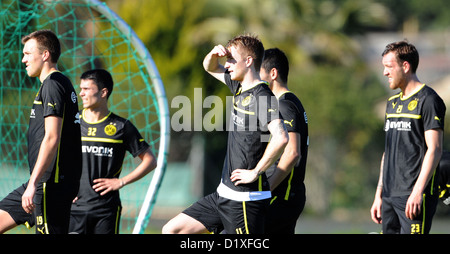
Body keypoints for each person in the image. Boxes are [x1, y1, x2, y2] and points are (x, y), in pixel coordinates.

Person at [162, 34, 289, 234]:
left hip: (246, 201)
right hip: (223, 195)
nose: (227, 64)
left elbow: (281, 137)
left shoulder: (262, 96)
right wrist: (214, 54)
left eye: (232, 59)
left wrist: (255, 172)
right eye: (227, 59)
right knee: (172, 230)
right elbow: (209, 67)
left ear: (248, 61)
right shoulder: (239, 87)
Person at [0, 30, 82, 234]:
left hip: (48, 183)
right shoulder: (58, 83)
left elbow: (52, 138)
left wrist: (34, 183)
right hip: (44, 181)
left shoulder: (53, 85)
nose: (23, 60)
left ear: (45, 55)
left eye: (28, 54)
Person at [370, 41, 446, 234]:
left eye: (389, 67)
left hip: (413, 196)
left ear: (405, 66)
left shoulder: (429, 100)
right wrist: (379, 194)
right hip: (389, 196)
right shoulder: (392, 103)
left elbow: (435, 149)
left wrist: (417, 192)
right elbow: (388, 152)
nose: (385, 73)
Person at [69, 69, 157, 234]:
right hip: (74, 208)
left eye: (86, 89)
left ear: (103, 92)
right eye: (81, 89)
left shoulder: (122, 126)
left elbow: (150, 160)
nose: (81, 94)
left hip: (106, 210)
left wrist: (121, 181)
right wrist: (64, 188)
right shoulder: (71, 123)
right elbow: (55, 157)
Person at [259, 48, 309, 234]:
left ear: (273, 73)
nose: (257, 79)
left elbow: (293, 153)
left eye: (259, 73)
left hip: (282, 194)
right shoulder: (287, 102)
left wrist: (266, 189)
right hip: (285, 195)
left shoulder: (285, 104)